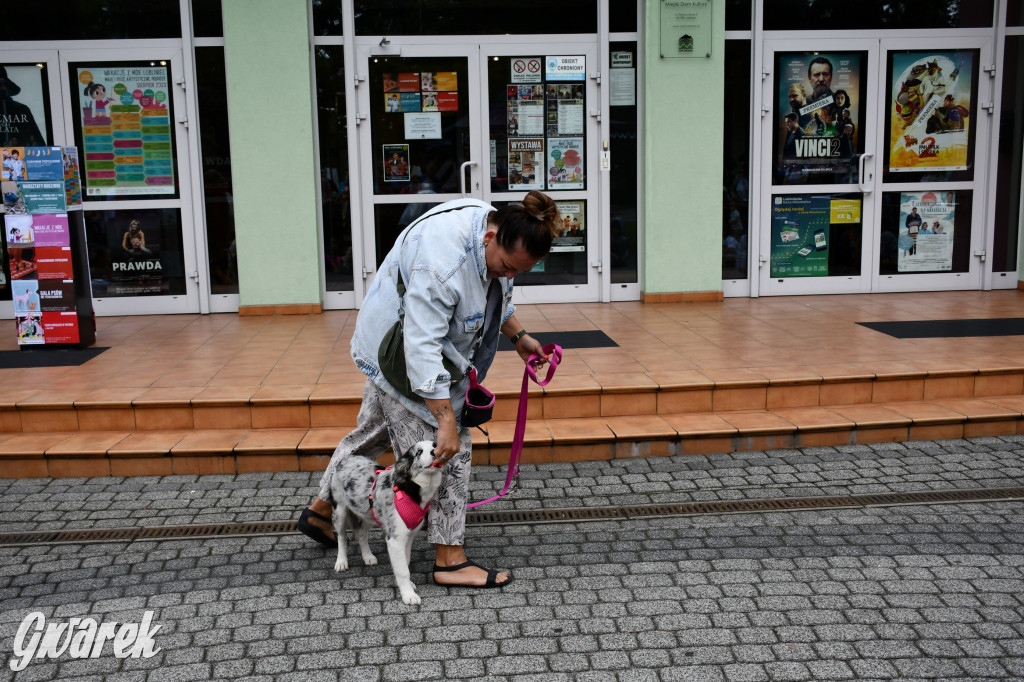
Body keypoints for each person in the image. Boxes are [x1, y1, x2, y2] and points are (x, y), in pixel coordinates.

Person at [298, 190, 561, 588]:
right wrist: (447, 420)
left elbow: (492, 292)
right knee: (449, 451)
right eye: (508, 267)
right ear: (490, 237)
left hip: (395, 342)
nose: (509, 276)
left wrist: (518, 335)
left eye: (518, 273)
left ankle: (322, 512)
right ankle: (449, 560)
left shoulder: (499, 229)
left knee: (372, 433)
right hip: (400, 350)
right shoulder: (442, 263)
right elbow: (421, 349)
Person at [0, 66, 46, 147]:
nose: (2, 87)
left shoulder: (22, 110)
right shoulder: (22, 109)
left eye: (3, 84)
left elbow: (38, 144)